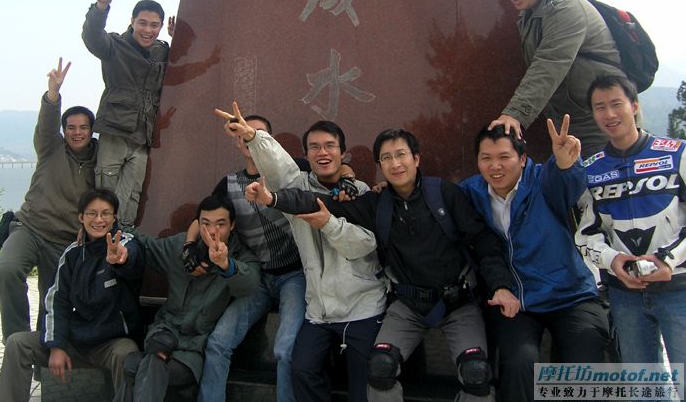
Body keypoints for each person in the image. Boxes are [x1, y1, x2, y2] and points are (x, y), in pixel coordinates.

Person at [245, 127, 520, 402]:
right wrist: (272, 199)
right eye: (387, 158)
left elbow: (483, 240)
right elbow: (316, 201)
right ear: (379, 165)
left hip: (458, 302)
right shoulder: (375, 204)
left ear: (417, 159)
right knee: (379, 368)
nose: (395, 163)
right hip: (407, 305)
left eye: (401, 155)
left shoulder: (445, 194)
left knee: (476, 373)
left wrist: (501, 286)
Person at [215, 103, 385, 402]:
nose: (323, 152)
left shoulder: (360, 192)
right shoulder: (298, 186)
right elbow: (279, 165)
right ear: (305, 156)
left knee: (365, 387)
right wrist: (255, 138)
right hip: (319, 310)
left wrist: (329, 225)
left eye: (330, 146)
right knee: (301, 370)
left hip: (362, 308)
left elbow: (366, 246)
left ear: (343, 153)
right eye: (315, 147)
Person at [458, 117, 609, 402]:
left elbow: (567, 182)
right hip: (518, 301)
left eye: (504, 157)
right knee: (518, 363)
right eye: (486, 158)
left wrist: (567, 163)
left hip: (571, 295)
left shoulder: (542, 179)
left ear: (523, 158)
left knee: (584, 360)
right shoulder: (472, 192)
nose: (495, 166)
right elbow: (436, 200)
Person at [189, 114, 305, 402]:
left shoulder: (290, 174)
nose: (248, 137)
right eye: (242, 133)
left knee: (286, 349)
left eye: (256, 133)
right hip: (258, 278)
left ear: (270, 141)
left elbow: (334, 173)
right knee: (218, 343)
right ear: (237, 142)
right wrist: (190, 245)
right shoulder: (229, 184)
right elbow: (202, 216)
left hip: (295, 275)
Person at [576, 74, 686, 366]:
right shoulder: (591, 169)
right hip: (625, 295)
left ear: (634, 105)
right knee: (644, 388)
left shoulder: (677, 154)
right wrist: (612, 261)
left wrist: (668, 260)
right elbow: (587, 234)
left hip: (679, 287)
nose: (609, 114)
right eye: (600, 107)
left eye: (616, 104)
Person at [0, 188, 144, 402]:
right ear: (81, 218)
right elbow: (57, 302)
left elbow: (133, 259)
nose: (99, 219)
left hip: (110, 343)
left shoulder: (126, 243)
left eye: (106, 213)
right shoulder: (72, 254)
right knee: (17, 343)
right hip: (76, 340)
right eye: (92, 213)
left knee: (127, 353)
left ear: (114, 218)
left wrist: (121, 259)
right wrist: (56, 345)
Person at [114, 194, 261, 401]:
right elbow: (145, 244)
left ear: (233, 225)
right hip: (163, 333)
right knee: (149, 358)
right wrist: (110, 235)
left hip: (192, 351)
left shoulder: (242, 257)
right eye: (206, 224)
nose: (212, 231)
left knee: (136, 365)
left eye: (220, 224)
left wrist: (225, 264)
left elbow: (250, 283)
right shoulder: (180, 247)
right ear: (198, 224)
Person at [489, 0, 626, 157]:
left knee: (608, 185)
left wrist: (515, 115)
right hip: (570, 124)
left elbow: (548, 65)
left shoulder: (566, 7)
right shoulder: (529, 16)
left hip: (602, 122)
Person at [0, 58, 98, 342]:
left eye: (84, 127)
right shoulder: (51, 147)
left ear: (92, 130)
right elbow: (47, 125)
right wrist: (53, 95)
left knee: (51, 301)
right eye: (72, 127)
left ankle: (42, 359)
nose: (77, 132)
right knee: (7, 271)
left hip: (65, 240)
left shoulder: (101, 160)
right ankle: (16, 343)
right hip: (29, 228)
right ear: (65, 131)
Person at [83, 0, 171, 230]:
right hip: (115, 131)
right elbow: (91, 36)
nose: (148, 30)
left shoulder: (161, 51)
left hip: (144, 137)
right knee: (105, 193)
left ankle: (124, 243)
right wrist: (101, 4)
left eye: (154, 25)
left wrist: (181, 42)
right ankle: (98, 241)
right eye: (142, 23)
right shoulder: (114, 46)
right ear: (132, 21)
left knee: (132, 194)